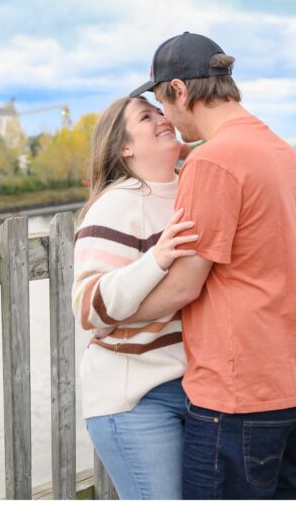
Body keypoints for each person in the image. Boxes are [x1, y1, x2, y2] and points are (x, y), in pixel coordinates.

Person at [125, 31, 296, 499]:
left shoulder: (213, 161)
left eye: (162, 102)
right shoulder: (277, 149)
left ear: (179, 90)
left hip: (239, 396)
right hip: (295, 387)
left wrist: (113, 315)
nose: (169, 122)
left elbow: (183, 286)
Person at [71, 95, 199, 499]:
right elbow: (89, 306)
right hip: (135, 398)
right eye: (146, 117)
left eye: (161, 111)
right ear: (124, 147)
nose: (163, 119)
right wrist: (156, 259)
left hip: (192, 387)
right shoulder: (116, 205)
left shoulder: (190, 188)